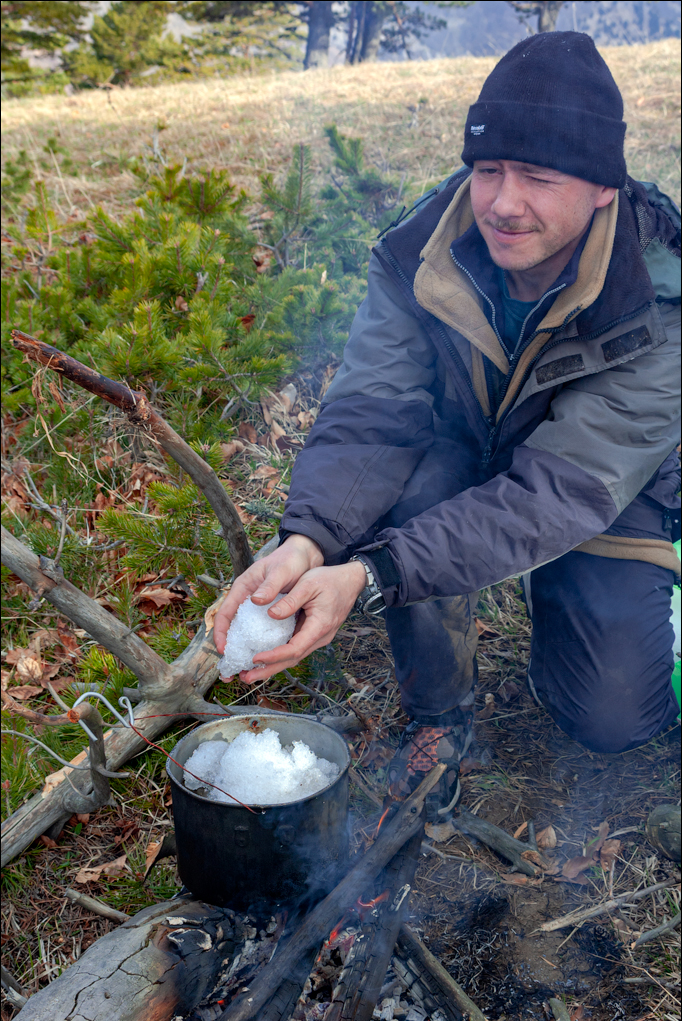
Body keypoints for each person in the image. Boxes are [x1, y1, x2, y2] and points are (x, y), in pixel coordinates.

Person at [215, 32, 681, 821]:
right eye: (489, 169)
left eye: (538, 177)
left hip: (594, 491)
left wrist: (369, 575)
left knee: (610, 719)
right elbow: (372, 412)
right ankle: (438, 715)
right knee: (415, 490)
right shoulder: (418, 250)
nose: (503, 202)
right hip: (464, 451)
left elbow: (555, 492)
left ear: (604, 187)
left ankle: (569, 594)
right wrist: (310, 540)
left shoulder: (659, 300)